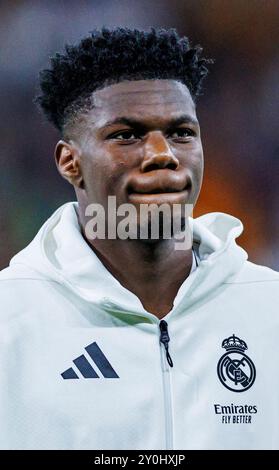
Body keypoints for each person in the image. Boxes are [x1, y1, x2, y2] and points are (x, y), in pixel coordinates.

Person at [0, 27, 278, 451]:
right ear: (69, 162)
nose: (162, 153)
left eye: (182, 132)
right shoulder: (11, 320)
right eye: (126, 135)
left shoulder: (268, 308)